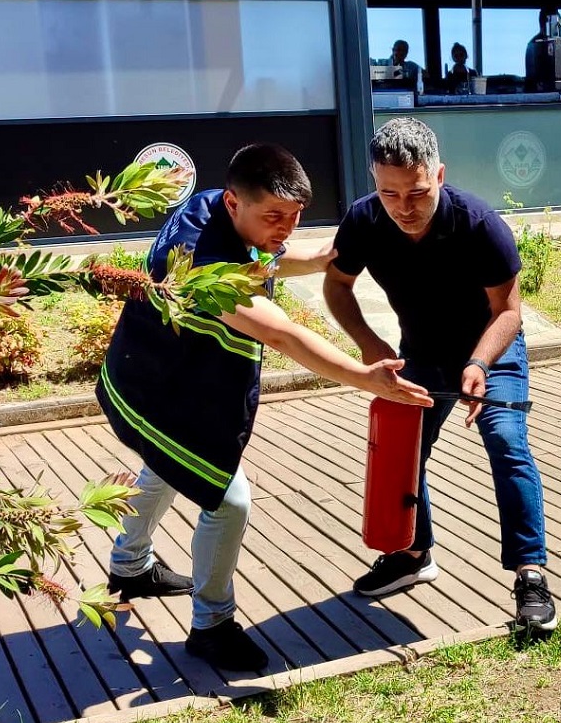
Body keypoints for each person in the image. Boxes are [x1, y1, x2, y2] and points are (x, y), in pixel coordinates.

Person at [99, 143, 433, 673]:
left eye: (294, 218)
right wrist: (363, 376)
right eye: (273, 217)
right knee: (228, 502)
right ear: (235, 204)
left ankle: (129, 566)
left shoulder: (213, 206)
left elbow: (271, 257)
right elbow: (284, 334)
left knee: (161, 469)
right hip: (159, 394)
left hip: (146, 374)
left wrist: (328, 254)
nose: (284, 229)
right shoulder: (201, 266)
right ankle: (211, 624)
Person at [323, 117, 558, 633]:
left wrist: (478, 363)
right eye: (390, 193)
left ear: (440, 175)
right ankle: (412, 553)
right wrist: (370, 343)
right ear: (374, 182)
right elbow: (336, 285)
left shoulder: (479, 224)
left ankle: (531, 575)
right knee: (403, 449)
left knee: (506, 441)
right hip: (420, 353)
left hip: (491, 348)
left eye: (417, 192)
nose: (404, 207)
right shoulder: (364, 221)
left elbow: (509, 311)